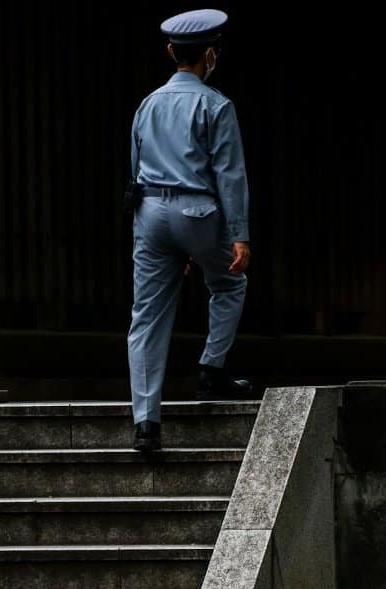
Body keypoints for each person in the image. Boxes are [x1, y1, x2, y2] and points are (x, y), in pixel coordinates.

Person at [127, 8, 252, 452]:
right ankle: (211, 367)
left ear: (170, 52)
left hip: (152, 213)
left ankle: (146, 423)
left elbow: (134, 165)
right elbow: (229, 174)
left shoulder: (148, 104)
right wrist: (239, 234)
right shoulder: (215, 105)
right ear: (210, 55)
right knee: (229, 283)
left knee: (147, 316)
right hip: (199, 213)